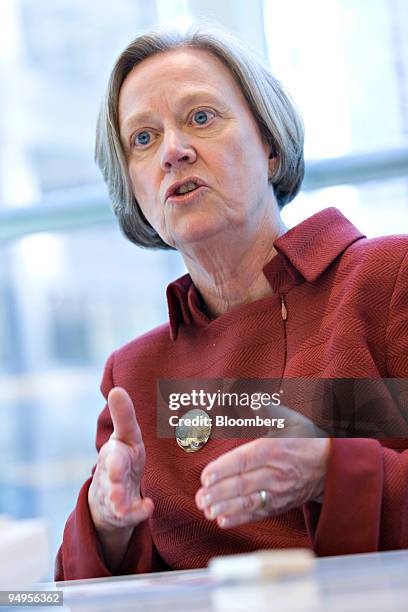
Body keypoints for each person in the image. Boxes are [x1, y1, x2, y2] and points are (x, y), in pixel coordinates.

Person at [55, 25, 408, 581]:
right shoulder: (135, 375)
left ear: (269, 145)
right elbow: (85, 593)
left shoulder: (386, 281)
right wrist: (108, 525)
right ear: (134, 189)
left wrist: (333, 473)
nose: (173, 151)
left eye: (200, 117)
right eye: (143, 139)